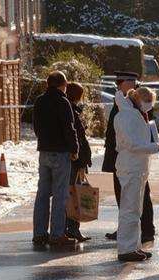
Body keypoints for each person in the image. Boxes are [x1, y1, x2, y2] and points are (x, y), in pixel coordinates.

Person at [114, 87, 159, 262]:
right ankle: (126, 248)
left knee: (135, 209)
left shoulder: (133, 113)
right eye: (148, 102)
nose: (149, 106)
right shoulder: (129, 115)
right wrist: (155, 147)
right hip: (131, 167)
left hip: (136, 167)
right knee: (130, 209)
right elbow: (132, 144)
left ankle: (132, 246)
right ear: (139, 99)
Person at [102, 71, 156, 243]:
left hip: (133, 159)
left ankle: (144, 230)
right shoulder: (125, 104)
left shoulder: (137, 102)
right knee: (125, 199)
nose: (120, 85)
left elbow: (139, 135)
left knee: (138, 198)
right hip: (122, 157)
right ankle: (127, 234)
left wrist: (153, 146)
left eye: (123, 82)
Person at [32, 71, 79, 246]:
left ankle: (39, 233)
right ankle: (57, 234)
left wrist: (43, 141)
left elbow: (36, 126)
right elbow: (69, 128)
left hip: (44, 151)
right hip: (61, 152)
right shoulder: (63, 102)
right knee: (60, 194)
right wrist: (74, 149)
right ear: (61, 84)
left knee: (43, 193)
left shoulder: (39, 101)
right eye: (65, 85)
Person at [65, 82, 92, 242]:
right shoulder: (72, 111)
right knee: (74, 194)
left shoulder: (71, 109)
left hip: (76, 159)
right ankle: (72, 228)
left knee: (71, 193)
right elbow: (78, 138)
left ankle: (69, 228)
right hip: (75, 161)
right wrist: (82, 160)